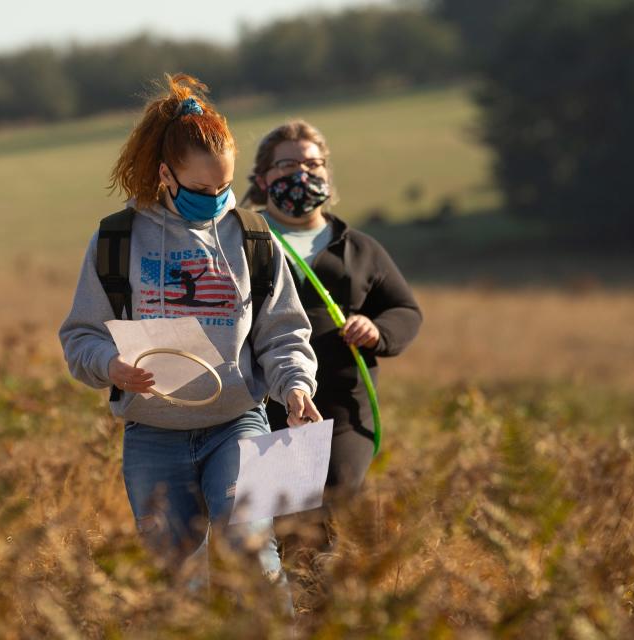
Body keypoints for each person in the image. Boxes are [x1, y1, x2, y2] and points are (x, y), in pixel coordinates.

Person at [58, 75, 321, 597]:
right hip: (151, 433)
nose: (216, 199)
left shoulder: (252, 235)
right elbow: (80, 336)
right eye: (201, 190)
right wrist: (110, 366)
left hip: (239, 422)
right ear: (165, 173)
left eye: (224, 188)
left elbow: (283, 331)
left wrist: (296, 386)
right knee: (177, 581)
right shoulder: (116, 239)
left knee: (253, 553)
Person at [242, 120, 422, 505]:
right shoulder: (243, 240)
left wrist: (376, 329)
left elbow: (405, 309)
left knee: (336, 505)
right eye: (288, 165)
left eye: (312, 164)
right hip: (265, 409)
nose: (302, 173)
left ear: (327, 172)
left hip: (344, 409)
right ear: (262, 179)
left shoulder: (358, 248)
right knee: (282, 524)